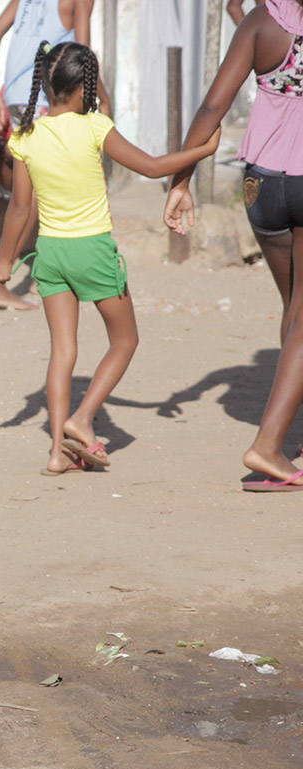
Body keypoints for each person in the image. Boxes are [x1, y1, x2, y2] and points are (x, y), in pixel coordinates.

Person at [0, 41, 219, 475]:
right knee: (125, 340)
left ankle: (57, 453)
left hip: (50, 254)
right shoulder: (95, 127)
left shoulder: (26, 137)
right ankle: (83, 416)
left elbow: (20, 208)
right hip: (92, 250)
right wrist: (202, 153)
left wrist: (2, 263)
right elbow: (151, 167)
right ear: (80, 90)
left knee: (63, 351)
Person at [164, 0, 303, 490]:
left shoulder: (261, 21)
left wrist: (180, 180)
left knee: (295, 308)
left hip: (262, 184)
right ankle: (268, 446)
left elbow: (212, 106)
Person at [0, 0, 112, 313]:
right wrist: (103, 100)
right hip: (45, 98)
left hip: (13, 96)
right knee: (35, 193)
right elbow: (83, 55)